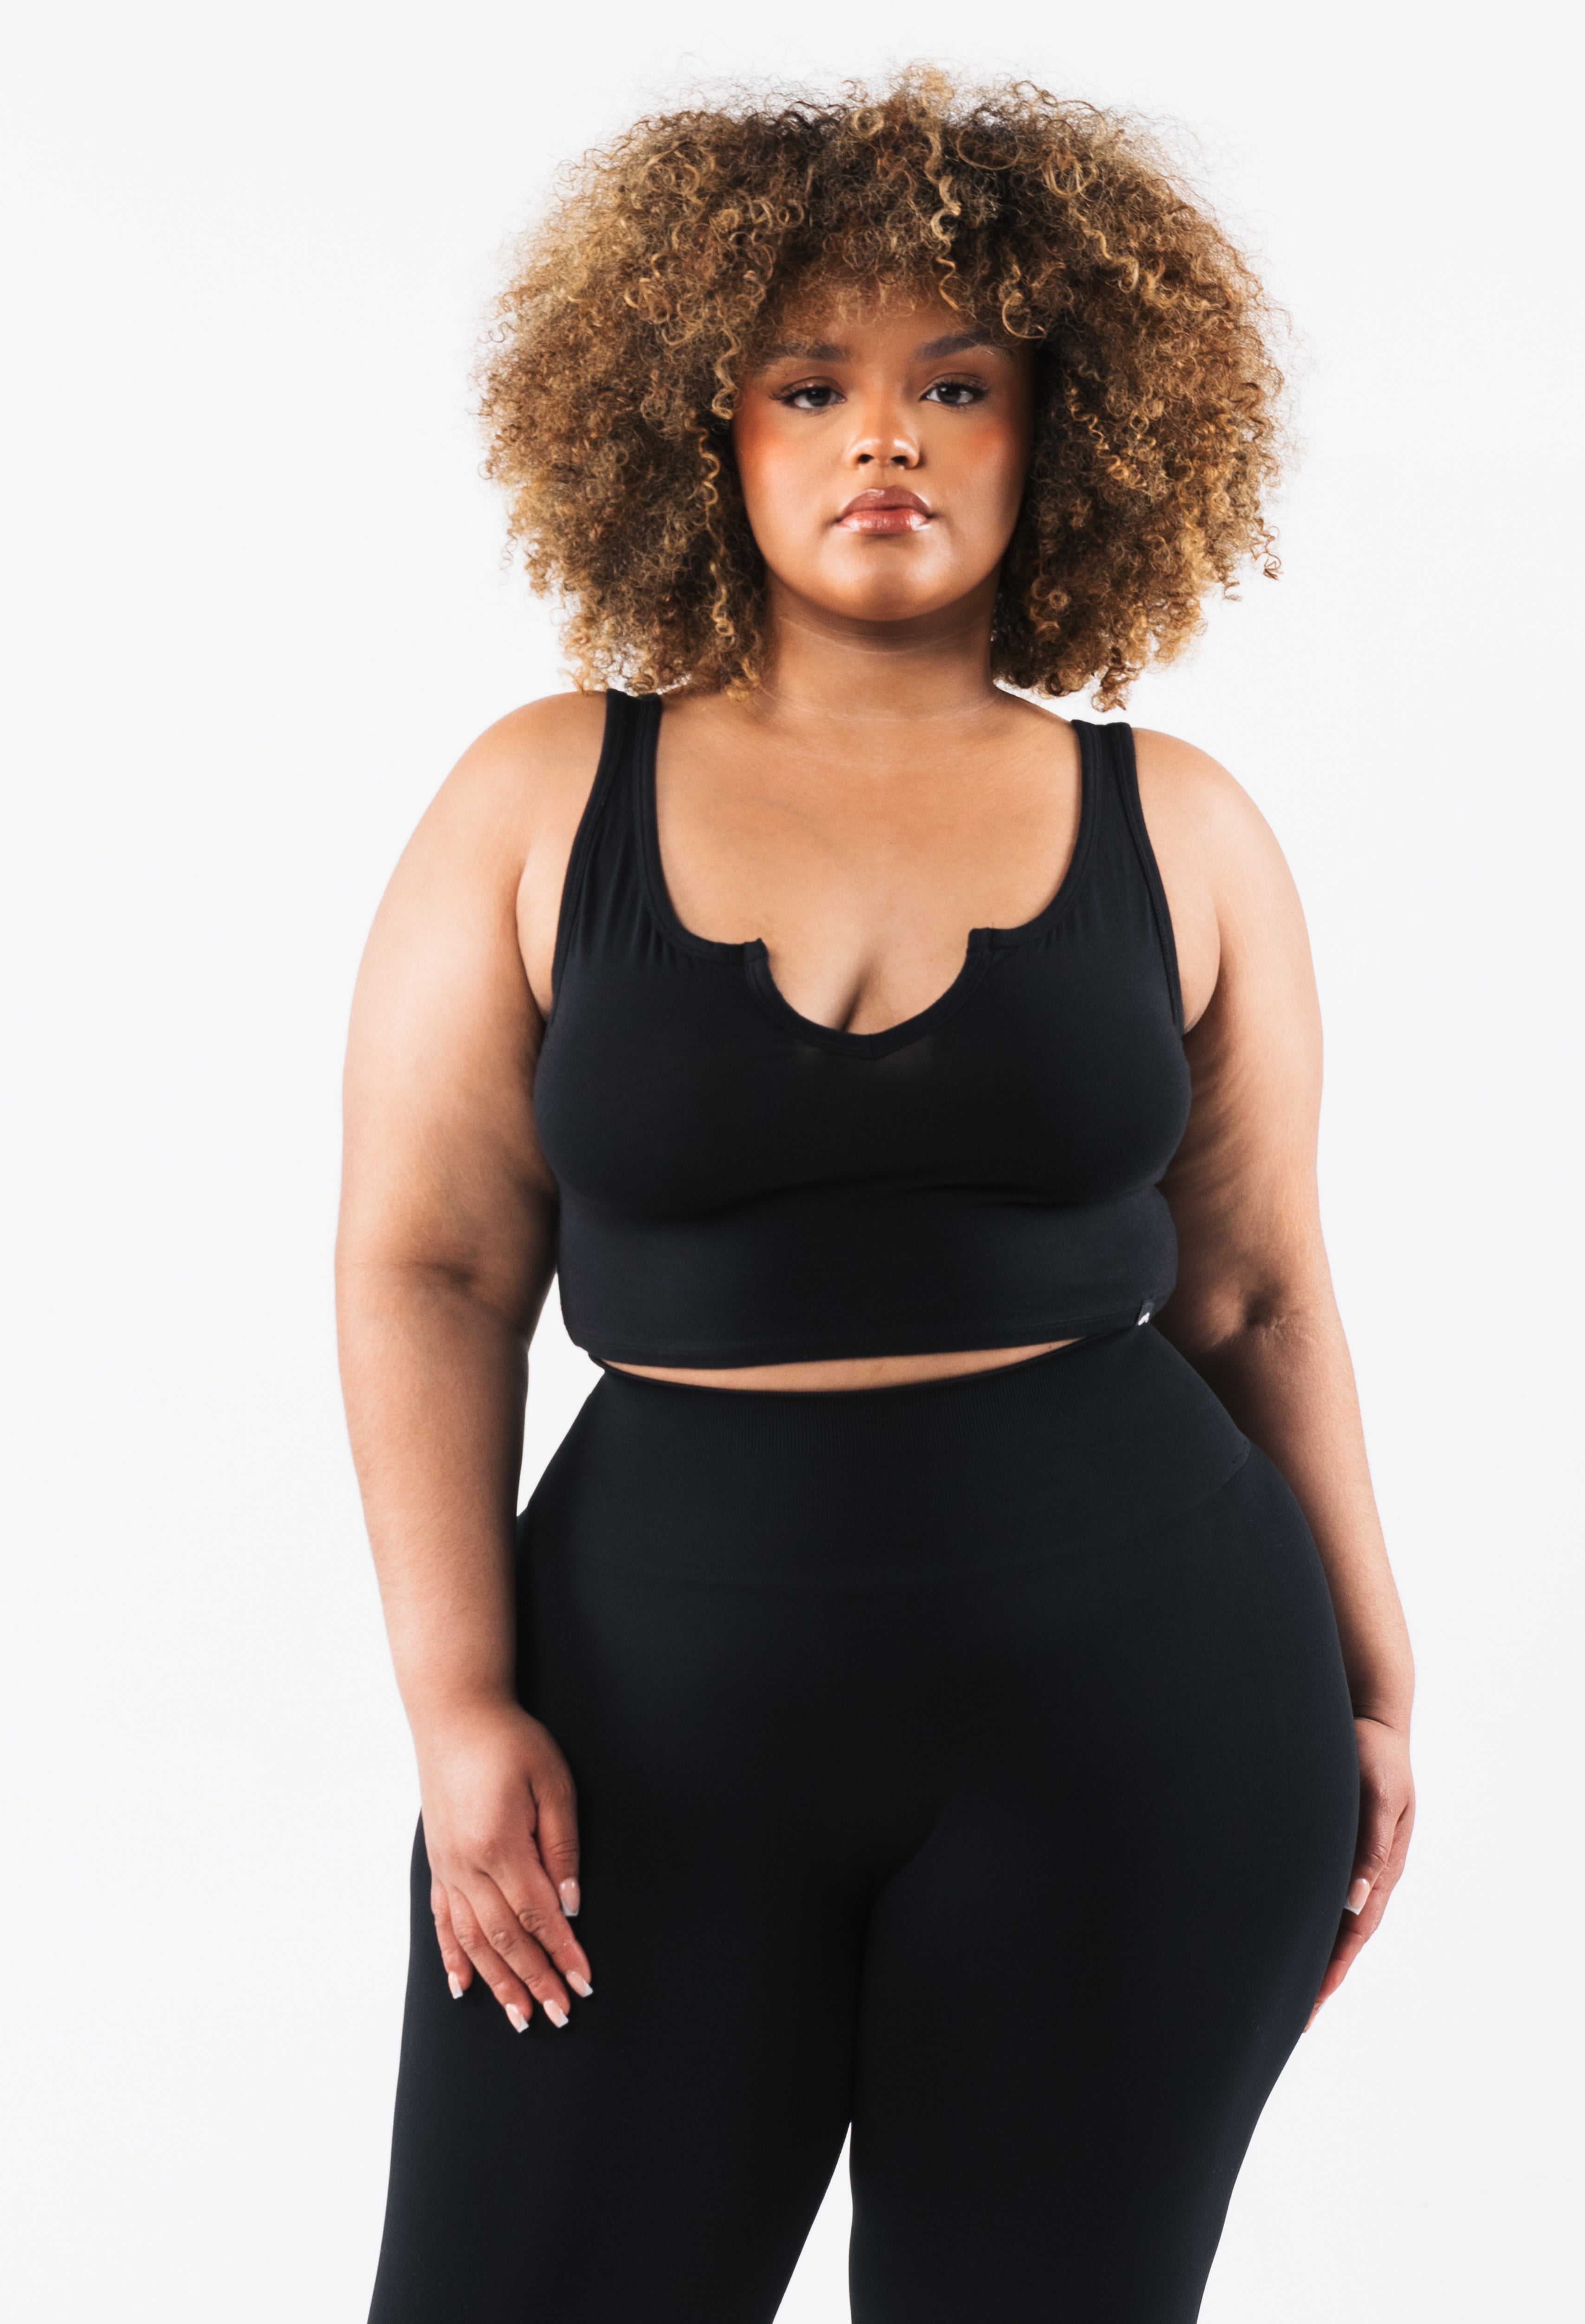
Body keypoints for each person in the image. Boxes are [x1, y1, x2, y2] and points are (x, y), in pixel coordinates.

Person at [337, 69, 1414, 2324]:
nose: (885, 439)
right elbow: (429, 1262)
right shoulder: (539, 796)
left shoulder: (1182, 824)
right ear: (702, 429)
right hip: (645, 1719)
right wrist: (455, 1697)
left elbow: (1255, 1291)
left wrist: (1372, 1661)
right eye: (811, 385)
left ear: (1065, 432)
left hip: (1146, 1710)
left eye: (958, 384)